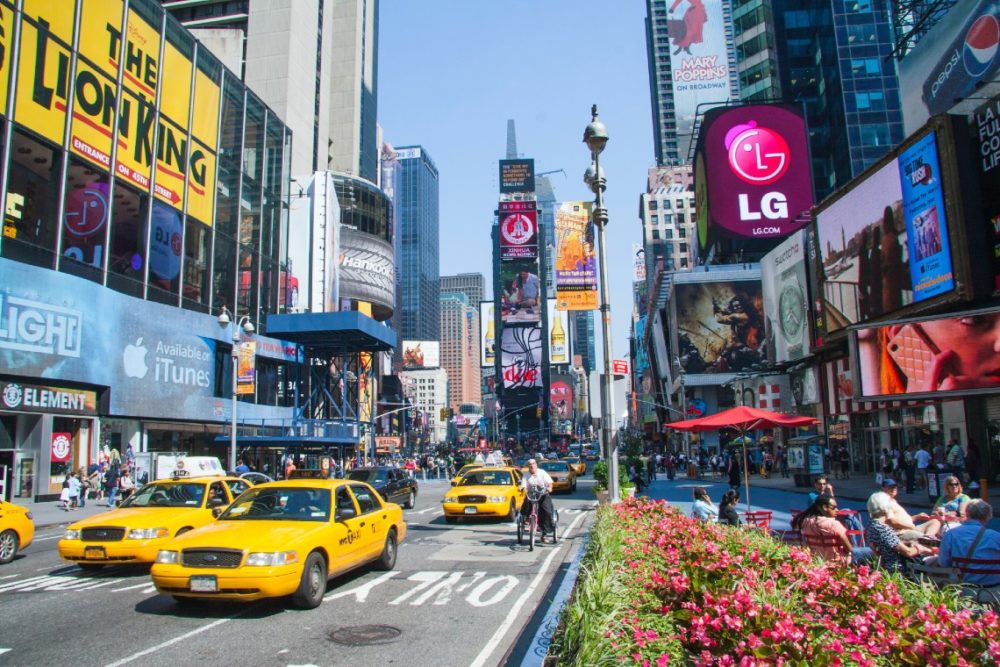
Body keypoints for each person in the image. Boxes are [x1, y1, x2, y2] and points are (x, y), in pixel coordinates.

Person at [936, 500, 1000, 595]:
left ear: (967, 514)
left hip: (962, 589)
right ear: (987, 517)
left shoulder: (951, 534)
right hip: (993, 589)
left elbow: (943, 563)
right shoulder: (996, 537)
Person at [792, 494, 873, 566]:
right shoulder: (834, 524)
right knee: (872, 552)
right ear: (825, 507)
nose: (837, 510)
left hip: (818, 561)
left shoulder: (806, 522)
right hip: (839, 562)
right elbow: (849, 549)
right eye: (834, 508)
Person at [866, 491, 934, 573]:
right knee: (934, 562)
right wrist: (921, 548)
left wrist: (908, 542)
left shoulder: (870, 527)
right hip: (899, 568)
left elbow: (888, 545)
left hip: (886, 566)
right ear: (885, 508)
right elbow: (908, 552)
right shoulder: (883, 529)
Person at [876, 478, 942, 540]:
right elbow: (891, 521)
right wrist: (911, 527)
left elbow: (903, 520)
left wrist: (917, 517)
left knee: (935, 522)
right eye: (890, 487)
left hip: (909, 528)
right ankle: (926, 539)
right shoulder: (884, 502)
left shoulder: (893, 501)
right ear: (883, 489)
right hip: (901, 533)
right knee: (920, 536)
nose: (894, 488)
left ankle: (928, 538)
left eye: (895, 487)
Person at [519, 459, 555, 537]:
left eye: (533, 464)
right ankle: (526, 518)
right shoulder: (526, 474)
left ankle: (544, 533)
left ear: (536, 465)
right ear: (528, 466)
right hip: (531, 493)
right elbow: (523, 485)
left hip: (542, 493)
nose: (532, 466)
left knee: (546, 511)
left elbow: (549, 483)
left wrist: (549, 488)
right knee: (526, 503)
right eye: (530, 464)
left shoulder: (542, 472)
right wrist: (523, 489)